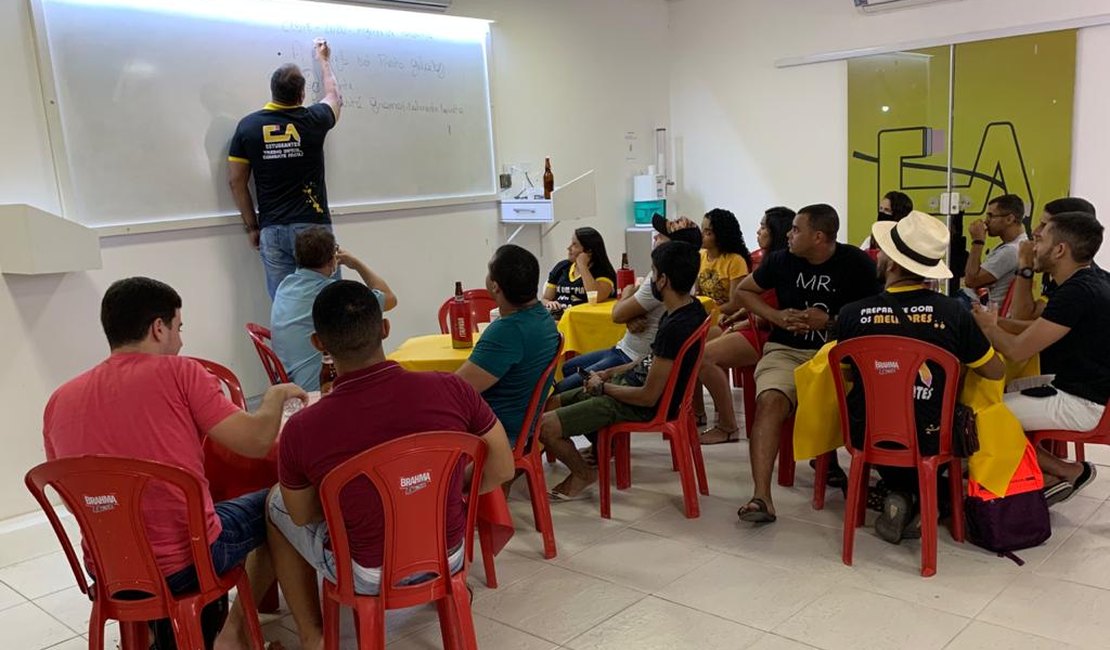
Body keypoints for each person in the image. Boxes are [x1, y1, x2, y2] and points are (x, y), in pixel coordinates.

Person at [43, 277, 307, 650]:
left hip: (109, 570)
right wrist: (275, 395)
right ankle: (235, 634)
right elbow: (256, 441)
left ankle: (150, 630)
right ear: (158, 327)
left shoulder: (59, 401)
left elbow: (72, 496)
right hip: (186, 564)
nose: (181, 341)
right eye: (178, 328)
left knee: (188, 516)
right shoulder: (180, 373)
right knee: (277, 504)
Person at [267, 281, 515, 650]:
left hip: (367, 573)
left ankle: (312, 637)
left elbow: (303, 515)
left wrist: (351, 501)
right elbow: (501, 468)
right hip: (449, 554)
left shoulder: (302, 428)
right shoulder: (451, 389)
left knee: (273, 504)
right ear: (385, 328)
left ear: (318, 343)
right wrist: (433, 485)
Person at [838, 211, 1004, 543]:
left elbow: (845, 376)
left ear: (892, 263)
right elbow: (994, 370)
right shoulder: (954, 311)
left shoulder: (851, 314)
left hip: (867, 431)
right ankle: (922, 498)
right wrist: (991, 330)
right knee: (936, 424)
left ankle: (900, 493)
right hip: (933, 435)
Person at [733, 204, 881, 523]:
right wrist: (776, 317)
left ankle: (844, 468)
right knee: (769, 402)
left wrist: (830, 323)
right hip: (786, 351)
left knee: (863, 403)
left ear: (818, 237)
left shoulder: (856, 264)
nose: (788, 233)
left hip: (838, 354)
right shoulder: (781, 261)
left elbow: (874, 318)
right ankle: (761, 497)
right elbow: (744, 291)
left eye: (796, 229)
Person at [538, 241, 708, 500]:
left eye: (652, 273)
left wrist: (603, 387)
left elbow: (648, 397)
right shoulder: (690, 309)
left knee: (545, 426)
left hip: (639, 404)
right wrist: (609, 373)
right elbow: (649, 360)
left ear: (662, 280)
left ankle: (583, 473)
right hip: (629, 386)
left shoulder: (675, 327)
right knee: (551, 403)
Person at [972, 212, 1105, 504]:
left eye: (1040, 240)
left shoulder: (1077, 292)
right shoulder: (1090, 280)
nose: (1033, 247)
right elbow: (1036, 328)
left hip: (1080, 401)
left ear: (1060, 250)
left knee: (976, 418)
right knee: (999, 396)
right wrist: (996, 322)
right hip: (1081, 387)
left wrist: (988, 328)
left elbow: (1019, 349)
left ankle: (1065, 471)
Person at [229, 38, 343, 299]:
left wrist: (252, 227)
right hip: (314, 228)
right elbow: (334, 96)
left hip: (274, 229)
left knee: (285, 305)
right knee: (330, 306)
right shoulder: (313, 119)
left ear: (272, 91)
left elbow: (236, 181)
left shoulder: (248, 127)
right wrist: (324, 61)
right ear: (302, 95)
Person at [556, 215, 703, 393]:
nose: (655, 237)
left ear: (673, 246)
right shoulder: (687, 277)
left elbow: (617, 314)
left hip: (632, 357)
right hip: (625, 348)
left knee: (562, 389)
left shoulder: (661, 282)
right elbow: (635, 314)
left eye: (661, 235)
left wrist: (626, 293)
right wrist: (631, 316)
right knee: (568, 367)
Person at [699, 206, 795, 444]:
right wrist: (741, 315)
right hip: (753, 325)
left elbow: (775, 313)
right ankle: (697, 413)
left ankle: (728, 425)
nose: (758, 231)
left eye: (764, 227)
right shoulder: (766, 261)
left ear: (777, 232)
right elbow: (755, 300)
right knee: (692, 346)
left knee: (704, 357)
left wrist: (742, 321)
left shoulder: (785, 265)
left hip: (769, 335)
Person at [456, 245, 560, 446]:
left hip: (496, 431)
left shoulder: (508, 330)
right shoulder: (543, 317)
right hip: (521, 423)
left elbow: (458, 390)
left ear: (495, 286)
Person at [271, 227, 397, 391]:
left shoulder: (285, 285)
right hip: (319, 385)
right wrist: (356, 264)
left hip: (286, 378)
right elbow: (390, 299)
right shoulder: (334, 296)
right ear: (332, 260)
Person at [1006, 197, 1097, 323]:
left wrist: (1025, 265)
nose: (1035, 232)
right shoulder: (1061, 275)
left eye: (1045, 226)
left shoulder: (1080, 287)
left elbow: (1022, 317)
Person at [963, 194, 1028, 308]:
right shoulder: (1012, 245)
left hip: (976, 307)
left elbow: (971, 281)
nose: (986, 221)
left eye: (990, 216)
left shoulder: (1010, 251)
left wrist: (977, 241)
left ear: (1009, 219)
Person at [542, 227, 618, 313]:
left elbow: (596, 297)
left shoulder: (603, 272)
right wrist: (549, 303)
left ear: (588, 251)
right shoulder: (562, 267)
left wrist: (582, 266)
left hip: (582, 319)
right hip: (557, 318)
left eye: (575, 244)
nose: (569, 248)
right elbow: (545, 299)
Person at [696, 208, 753, 316]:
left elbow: (735, 304)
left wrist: (708, 312)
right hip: (705, 314)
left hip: (726, 316)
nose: (701, 234)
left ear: (721, 236)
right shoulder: (700, 255)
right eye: (701, 229)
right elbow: (698, 294)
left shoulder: (735, 261)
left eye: (708, 232)